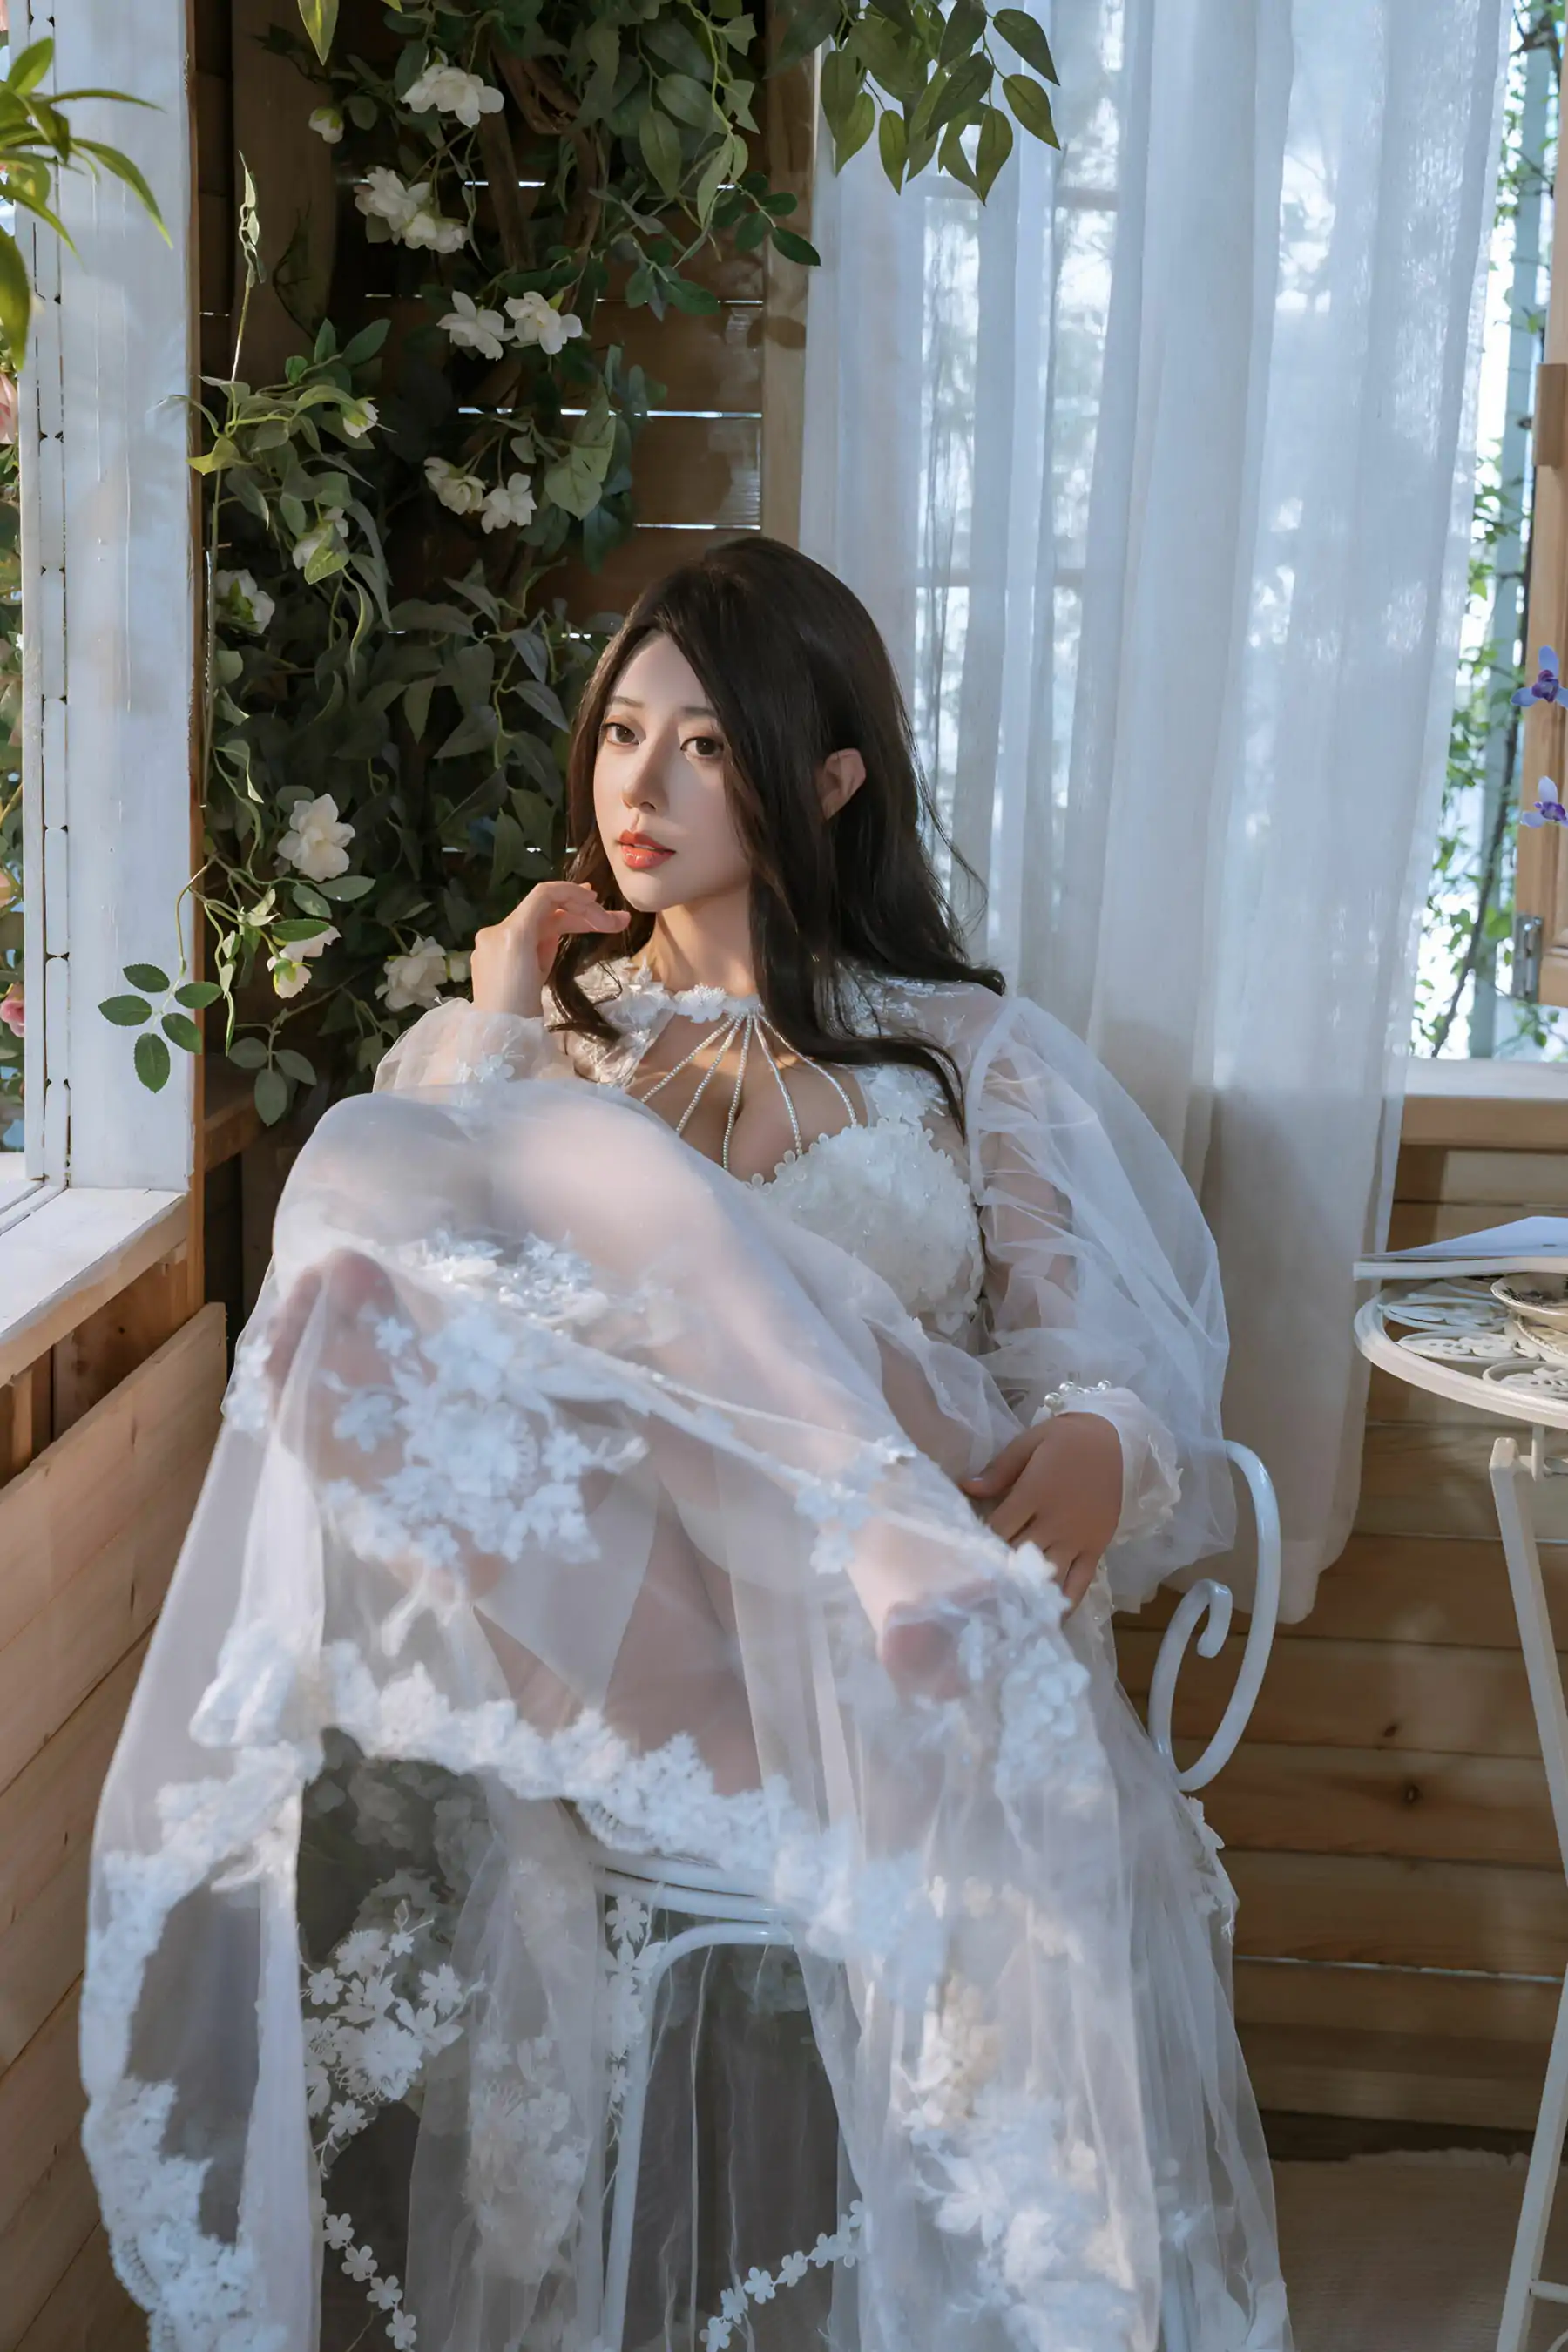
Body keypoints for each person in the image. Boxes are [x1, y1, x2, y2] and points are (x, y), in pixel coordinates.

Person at [82, 538, 1291, 2352]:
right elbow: (405, 1297)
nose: (637, 787)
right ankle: (854, 1698)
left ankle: (883, 1573)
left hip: (901, 1600)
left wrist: (1107, 1439)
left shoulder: (963, 1052)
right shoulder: (548, 1053)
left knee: (605, 1191)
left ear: (831, 777)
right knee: (352, 1298)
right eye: (621, 732)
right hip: (667, 1668)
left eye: (705, 744)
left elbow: (1096, 1355)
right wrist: (500, 1019)